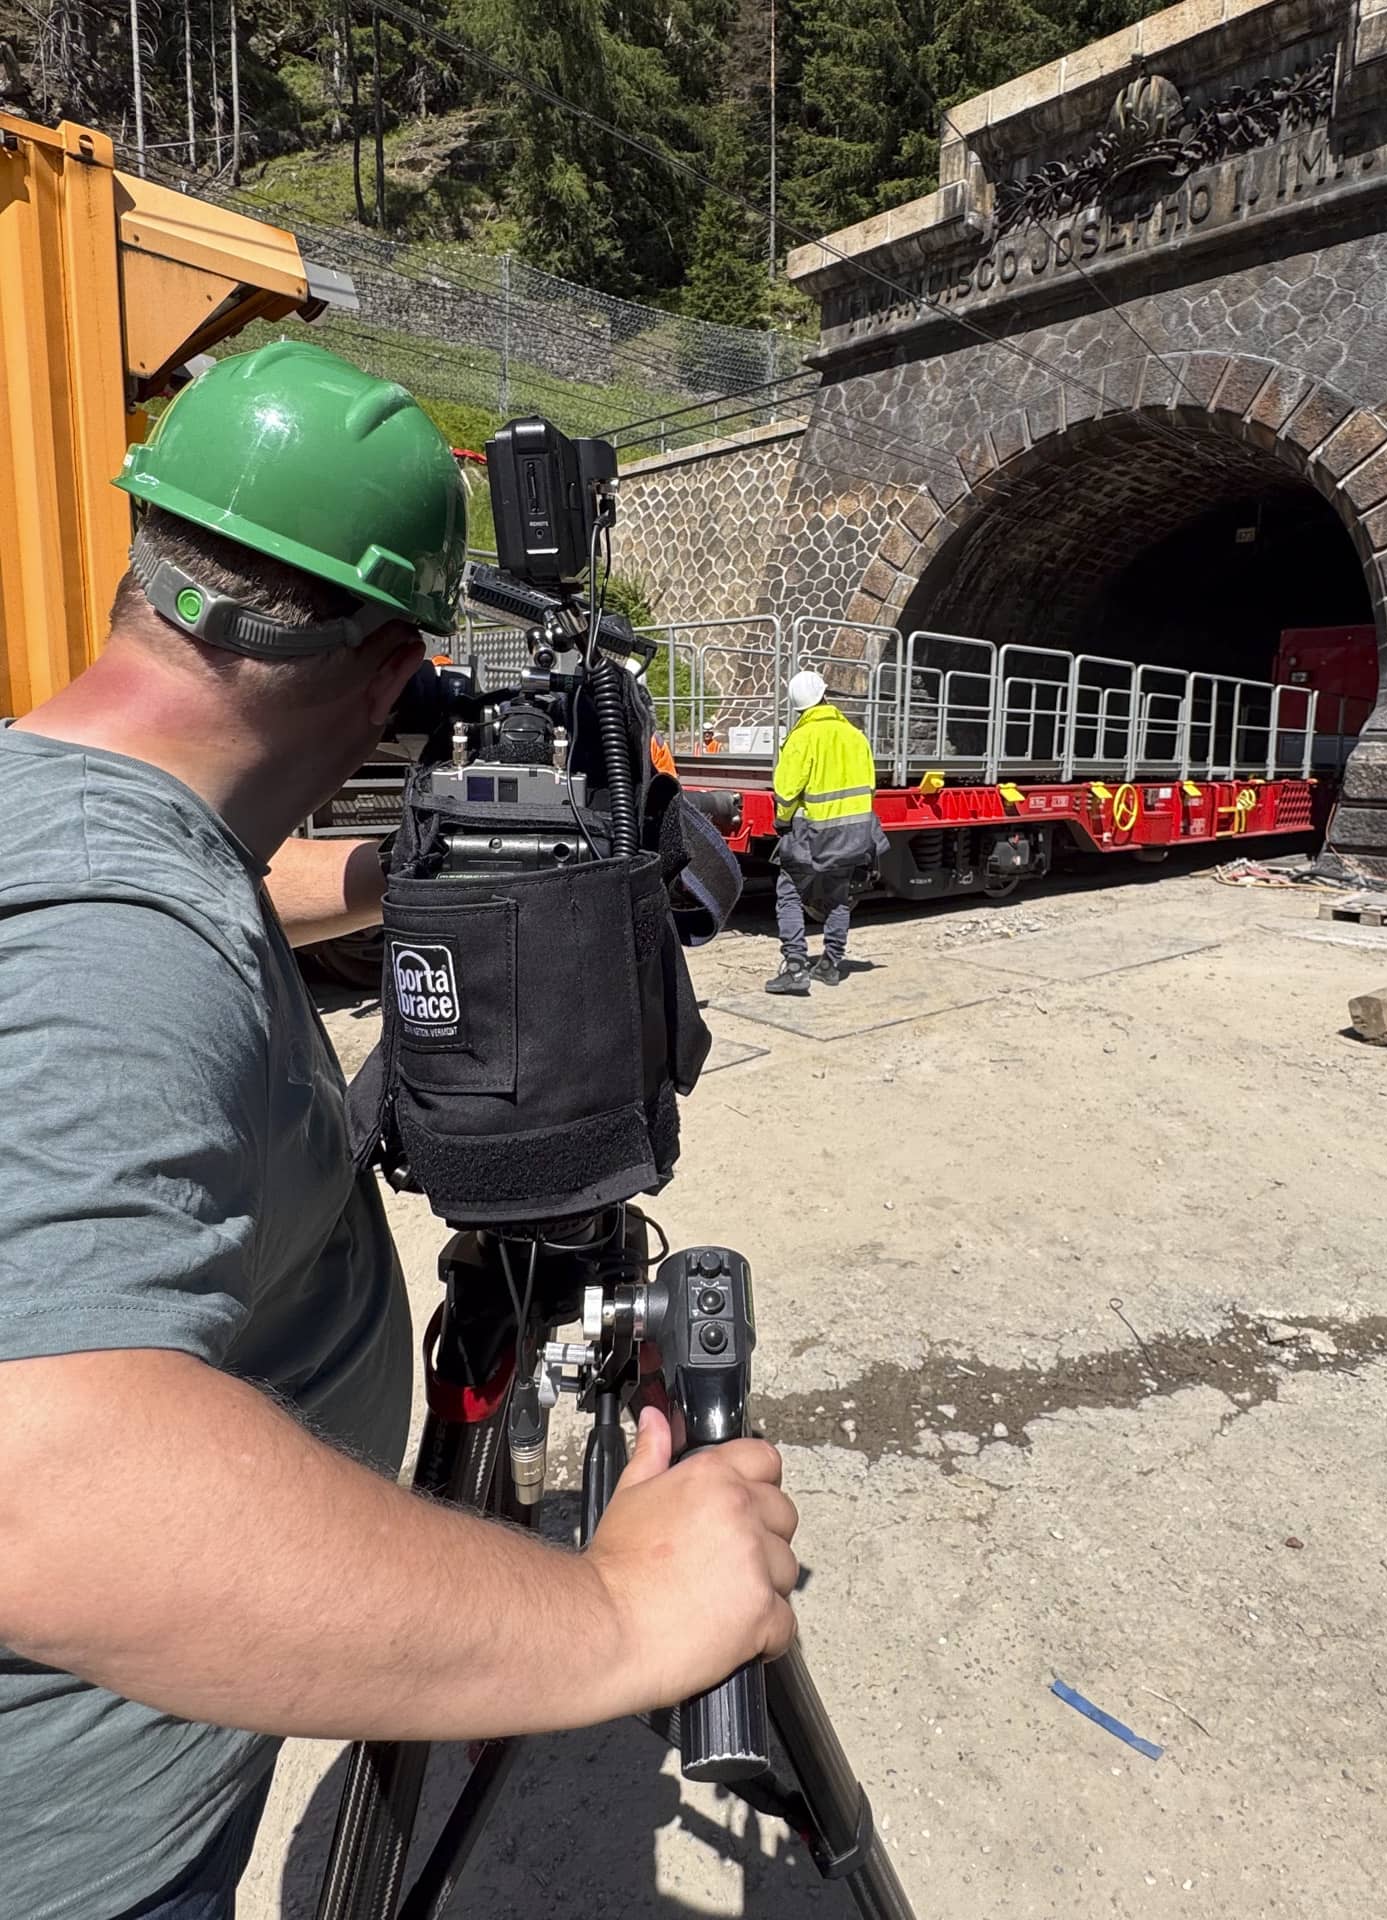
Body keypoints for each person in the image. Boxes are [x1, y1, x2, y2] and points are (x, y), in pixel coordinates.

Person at [0, 341, 798, 1920]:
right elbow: (47, 1485)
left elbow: (206, 885)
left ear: (147, 569)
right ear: (384, 680)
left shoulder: (70, 806)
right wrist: (624, 1619)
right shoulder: (112, 932)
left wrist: (406, 886)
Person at [765, 670, 886, 995]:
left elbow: (787, 793)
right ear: (825, 695)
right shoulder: (856, 736)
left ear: (798, 707)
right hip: (854, 835)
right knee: (837, 898)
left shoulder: (801, 738)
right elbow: (871, 788)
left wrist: (781, 821)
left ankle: (794, 968)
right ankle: (831, 964)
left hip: (812, 834)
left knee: (789, 894)